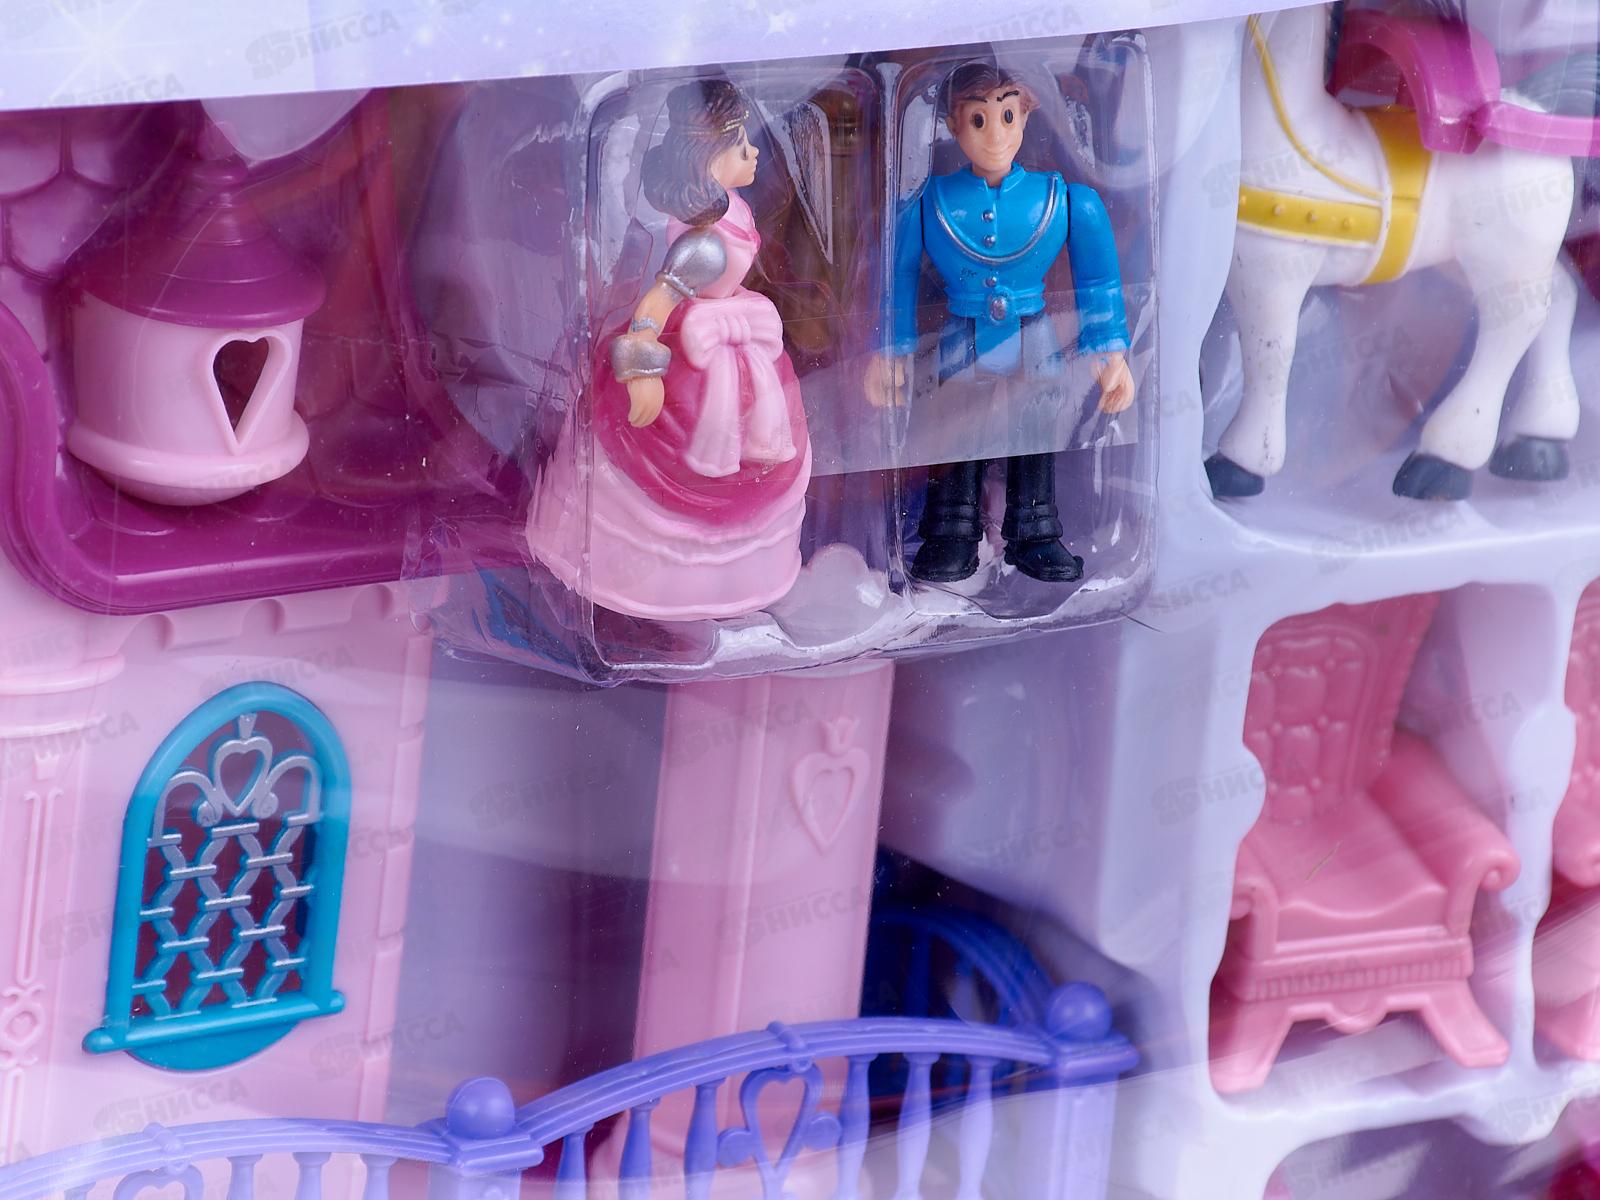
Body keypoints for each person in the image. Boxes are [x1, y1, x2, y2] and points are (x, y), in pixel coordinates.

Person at [869, 61, 1134, 584]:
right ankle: (950, 532)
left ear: (1026, 116)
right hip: (960, 337)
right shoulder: (928, 204)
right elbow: (896, 280)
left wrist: (1109, 350)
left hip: (1035, 336)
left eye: (1007, 116)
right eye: (978, 120)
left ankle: (1036, 533)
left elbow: (1099, 280)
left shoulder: (1061, 199)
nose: (995, 135)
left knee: (1035, 429)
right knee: (956, 431)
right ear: (952, 124)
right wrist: (891, 349)